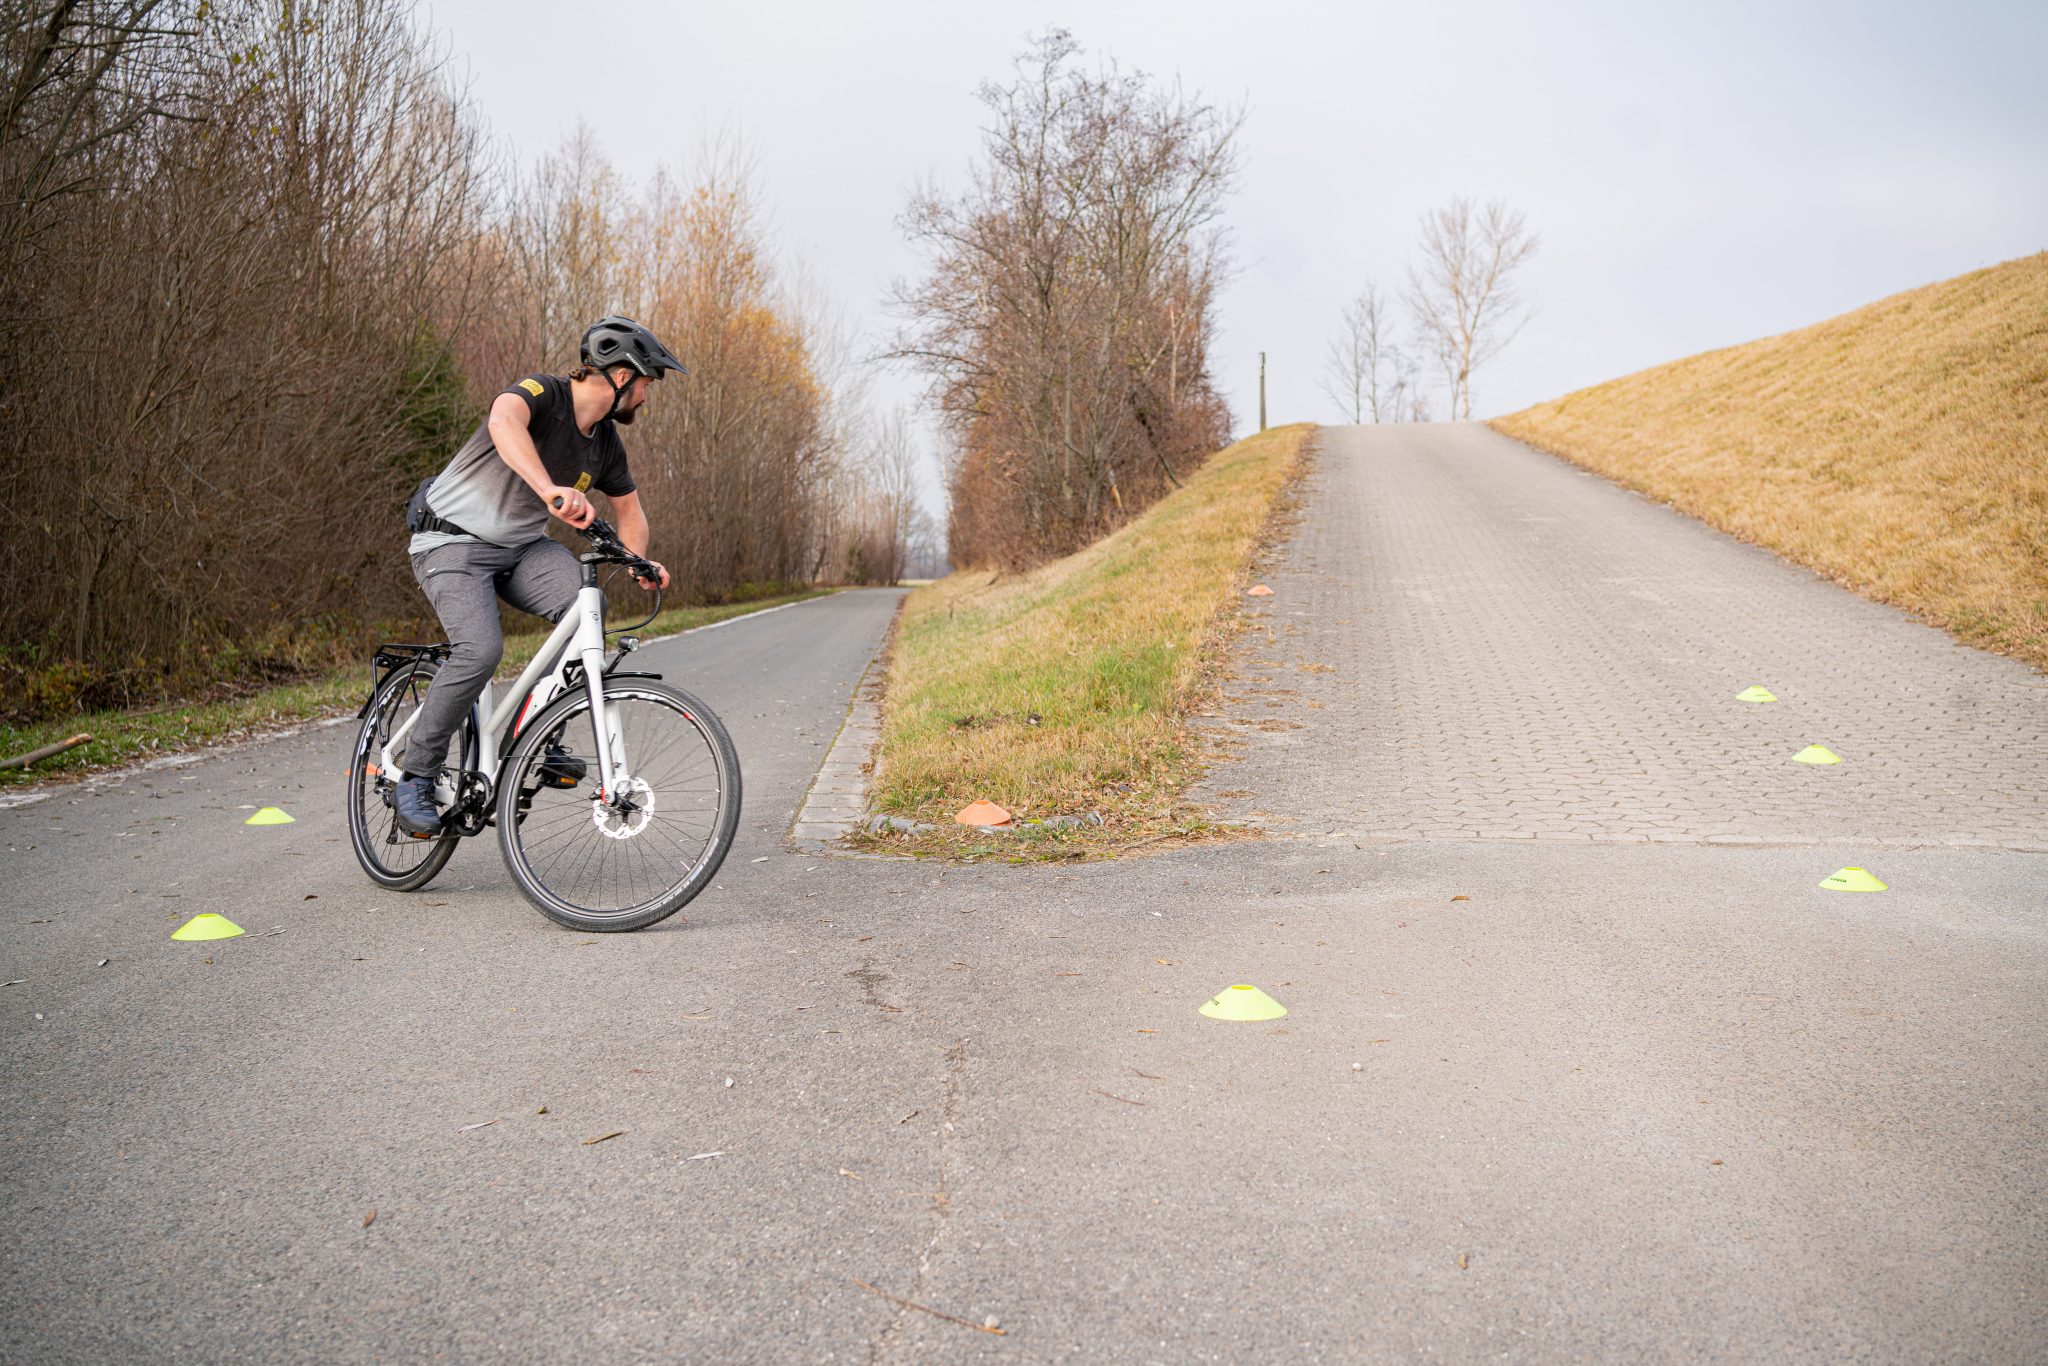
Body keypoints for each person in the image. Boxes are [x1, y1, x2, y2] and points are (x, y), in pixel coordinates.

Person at [393, 316, 682, 835]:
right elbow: (504, 423)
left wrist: (638, 560)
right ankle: (415, 773)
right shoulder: (544, 393)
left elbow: (630, 512)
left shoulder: (606, 442)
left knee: (586, 610)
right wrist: (549, 488)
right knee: (480, 650)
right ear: (620, 374)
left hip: (521, 549)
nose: (646, 394)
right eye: (646, 382)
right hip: (451, 541)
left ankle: (535, 736)